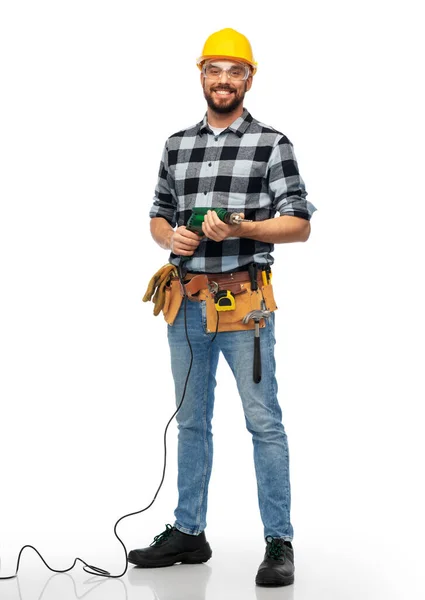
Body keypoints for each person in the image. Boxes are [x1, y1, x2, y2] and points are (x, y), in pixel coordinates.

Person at [128, 27, 316, 587]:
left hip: (246, 305)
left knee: (264, 422)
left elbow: (300, 224)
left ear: (249, 78)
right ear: (202, 74)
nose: (225, 80)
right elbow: (159, 213)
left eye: (236, 71)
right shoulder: (176, 145)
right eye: (216, 69)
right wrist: (171, 240)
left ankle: (278, 541)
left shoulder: (272, 145)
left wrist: (245, 226)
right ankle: (190, 532)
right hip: (186, 304)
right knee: (190, 421)